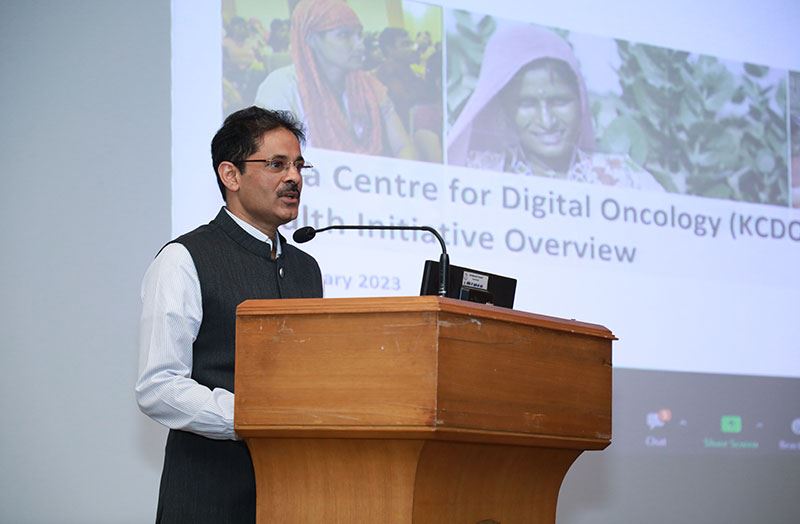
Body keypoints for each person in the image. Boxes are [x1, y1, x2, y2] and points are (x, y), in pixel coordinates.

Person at [136, 106, 323, 524]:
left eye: (298, 165)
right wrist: (253, 418)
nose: (293, 178)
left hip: (296, 494)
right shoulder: (184, 259)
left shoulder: (306, 269)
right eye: (276, 164)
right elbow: (158, 387)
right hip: (209, 497)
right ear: (231, 175)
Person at [448, 23, 663, 190]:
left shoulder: (625, 179)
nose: (547, 121)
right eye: (527, 104)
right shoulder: (478, 176)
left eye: (560, 101)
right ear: (505, 111)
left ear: (581, 102)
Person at [254, 0, 415, 159]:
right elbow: (268, 161)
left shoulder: (370, 86)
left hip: (370, 175)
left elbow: (403, 146)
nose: (360, 45)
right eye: (344, 35)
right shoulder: (281, 88)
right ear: (311, 39)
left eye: (359, 35)